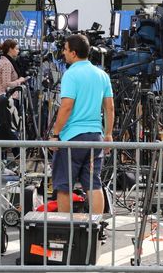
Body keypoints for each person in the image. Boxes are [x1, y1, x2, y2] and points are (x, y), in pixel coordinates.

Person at [48, 34, 114, 214]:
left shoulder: (71, 74)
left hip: (72, 139)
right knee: (94, 184)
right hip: (95, 136)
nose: (63, 53)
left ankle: (65, 229)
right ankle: (96, 228)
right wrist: (108, 134)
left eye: (65, 49)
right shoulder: (102, 75)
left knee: (64, 186)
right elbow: (110, 108)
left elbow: (67, 106)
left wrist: (55, 134)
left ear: (74, 53)